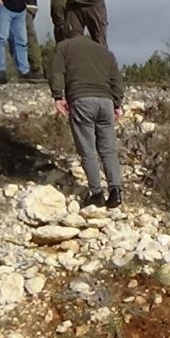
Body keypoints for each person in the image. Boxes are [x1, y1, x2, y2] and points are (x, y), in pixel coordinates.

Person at [49, 30, 125, 209]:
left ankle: (96, 193)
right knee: (108, 150)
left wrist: (58, 96)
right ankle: (116, 191)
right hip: (106, 102)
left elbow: (57, 72)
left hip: (82, 99)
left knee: (88, 149)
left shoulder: (64, 47)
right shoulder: (104, 51)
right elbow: (117, 79)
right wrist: (117, 103)